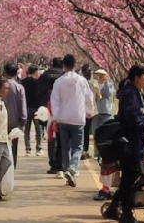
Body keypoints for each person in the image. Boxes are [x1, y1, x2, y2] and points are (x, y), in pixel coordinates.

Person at [113, 66, 144, 223]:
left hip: (134, 143)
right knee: (129, 178)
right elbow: (131, 117)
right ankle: (126, 214)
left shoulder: (134, 92)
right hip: (131, 143)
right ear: (137, 78)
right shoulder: (131, 94)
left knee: (128, 178)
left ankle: (115, 208)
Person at [50, 54, 95, 187]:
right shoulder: (82, 81)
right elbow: (89, 98)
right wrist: (89, 112)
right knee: (78, 147)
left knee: (65, 147)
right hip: (78, 118)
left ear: (63, 65)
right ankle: (72, 169)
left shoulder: (58, 82)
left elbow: (55, 102)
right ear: (75, 65)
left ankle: (67, 171)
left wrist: (55, 119)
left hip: (63, 119)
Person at [91, 69, 116, 200]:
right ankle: (97, 152)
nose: (100, 77)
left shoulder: (109, 84)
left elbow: (108, 94)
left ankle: (102, 152)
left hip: (106, 111)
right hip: (96, 111)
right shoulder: (95, 84)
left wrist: (105, 84)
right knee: (96, 133)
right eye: (99, 75)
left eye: (102, 75)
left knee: (105, 134)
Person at [39, 58, 64, 173]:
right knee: (61, 137)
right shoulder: (63, 76)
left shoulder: (44, 76)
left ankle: (53, 163)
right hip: (61, 108)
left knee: (50, 135)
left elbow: (38, 91)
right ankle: (61, 164)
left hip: (46, 107)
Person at [2, 62, 27, 168]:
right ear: (17, 72)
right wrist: (22, 122)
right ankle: (11, 168)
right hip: (13, 122)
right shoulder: (18, 87)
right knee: (13, 147)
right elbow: (22, 106)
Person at [21, 65, 44, 157]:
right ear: (35, 72)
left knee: (27, 129)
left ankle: (28, 149)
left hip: (26, 107)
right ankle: (39, 148)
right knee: (39, 129)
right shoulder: (38, 82)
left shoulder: (23, 82)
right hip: (36, 108)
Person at [81, 64, 94, 158]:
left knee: (81, 132)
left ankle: (83, 150)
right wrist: (91, 111)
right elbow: (90, 98)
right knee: (85, 132)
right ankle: (84, 150)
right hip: (86, 112)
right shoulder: (92, 82)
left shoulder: (79, 81)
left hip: (79, 111)